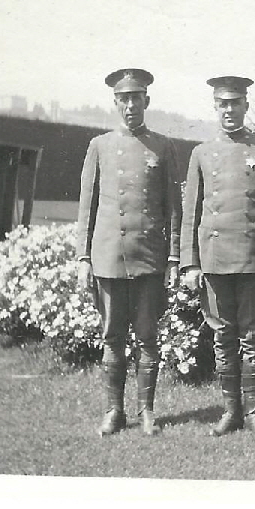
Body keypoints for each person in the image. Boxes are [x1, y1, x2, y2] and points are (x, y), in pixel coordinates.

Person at [180, 76, 255, 440]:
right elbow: (190, 213)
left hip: (253, 259)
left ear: (246, 105)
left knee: (252, 336)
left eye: (235, 103)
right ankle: (231, 411)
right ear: (215, 107)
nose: (229, 110)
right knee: (223, 336)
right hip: (214, 259)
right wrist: (190, 263)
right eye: (222, 104)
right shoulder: (201, 153)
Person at [76, 68, 181, 437]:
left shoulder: (163, 146)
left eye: (137, 98)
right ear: (116, 103)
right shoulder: (100, 146)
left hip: (149, 258)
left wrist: (173, 258)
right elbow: (86, 207)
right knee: (112, 336)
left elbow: (174, 208)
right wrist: (84, 258)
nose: (131, 105)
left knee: (148, 336)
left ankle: (147, 410)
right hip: (108, 258)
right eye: (124, 99)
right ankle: (114, 411)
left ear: (146, 102)